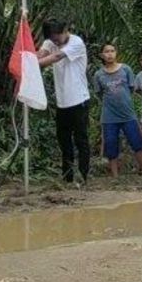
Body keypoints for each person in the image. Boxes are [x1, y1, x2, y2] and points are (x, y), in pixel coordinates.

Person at [38, 19, 91, 185]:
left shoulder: (76, 42)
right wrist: (30, 58)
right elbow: (42, 54)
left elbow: (56, 57)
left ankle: (83, 175)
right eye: (52, 39)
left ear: (65, 30)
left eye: (58, 37)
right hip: (62, 102)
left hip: (79, 99)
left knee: (81, 140)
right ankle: (67, 177)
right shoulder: (50, 41)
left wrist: (31, 64)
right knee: (64, 141)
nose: (56, 41)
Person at [93, 43, 142, 178]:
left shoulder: (126, 69)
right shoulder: (98, 75)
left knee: (138, 143)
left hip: (128, 115)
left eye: (112, 51)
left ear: (116, 53)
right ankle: (115, 176)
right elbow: (99, 94)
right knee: (111, 145)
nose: (109, 54)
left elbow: (131, 89)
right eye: (106, 51)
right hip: (109, 117)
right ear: (102, 55)